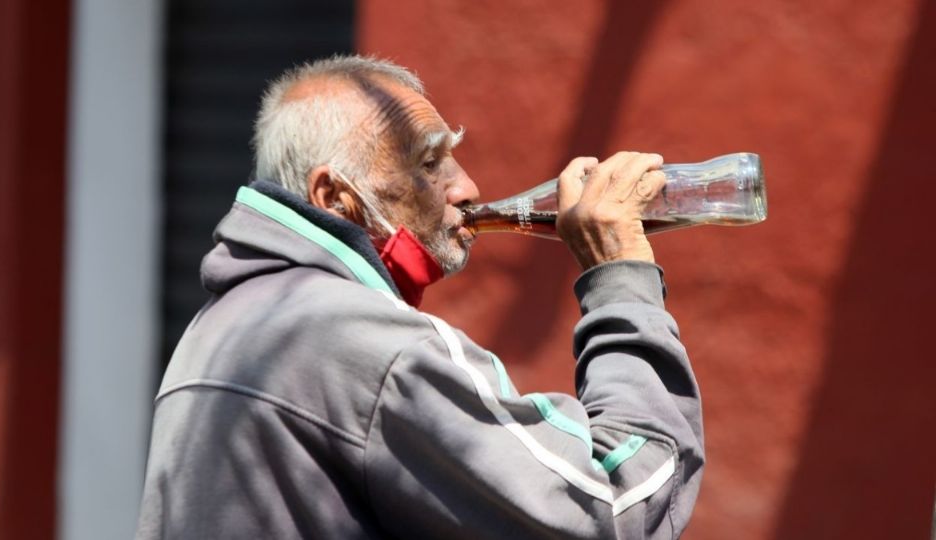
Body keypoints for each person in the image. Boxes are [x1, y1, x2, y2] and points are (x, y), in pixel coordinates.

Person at [136, 55, 704, 539]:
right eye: (429, 163)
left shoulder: (222, 324)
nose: (467, 188)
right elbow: (613, 509)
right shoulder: (363, 341)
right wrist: (620, 277)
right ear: (334, 196)